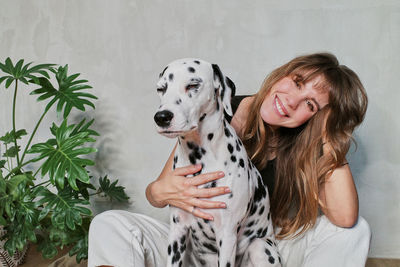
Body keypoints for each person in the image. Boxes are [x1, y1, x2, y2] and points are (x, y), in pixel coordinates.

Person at [88, 52, 371, 267]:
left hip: (257, 249)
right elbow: (159, 192)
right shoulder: (212, 108)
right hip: (195, 245)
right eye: (296, 82)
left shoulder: (310, 143)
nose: (292, 101)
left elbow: (345, 218)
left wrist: (329, 135)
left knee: (354, 230)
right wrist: (158, 191)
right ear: (283, 74)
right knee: (108, 223)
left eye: (310, 104)